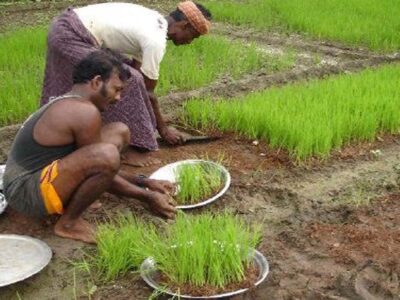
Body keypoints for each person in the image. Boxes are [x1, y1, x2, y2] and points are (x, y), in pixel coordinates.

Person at [3, 50, 177, 244]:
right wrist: (147, 196)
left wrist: (144, 182)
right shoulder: (83, 112)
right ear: (96, 82)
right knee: (107, 154)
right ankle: (68, 224)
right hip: (26, 192)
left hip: (35, 178)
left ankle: (76, 198)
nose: (118, 98)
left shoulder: (73, 103)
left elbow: (99, 165)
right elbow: (103, 164)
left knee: (119, 131)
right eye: (116, 89)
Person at [41, 1, 212, 166]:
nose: (190, 42)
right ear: (184, 25)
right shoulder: (155, 40)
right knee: (128, 82)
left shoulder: (154, 21)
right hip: (71, 35)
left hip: (68, 28)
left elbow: (136, 71)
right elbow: (147, 90)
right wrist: (163, 129)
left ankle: (101, 133)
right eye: (193, 36)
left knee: (127, 76)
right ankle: (130, 149)